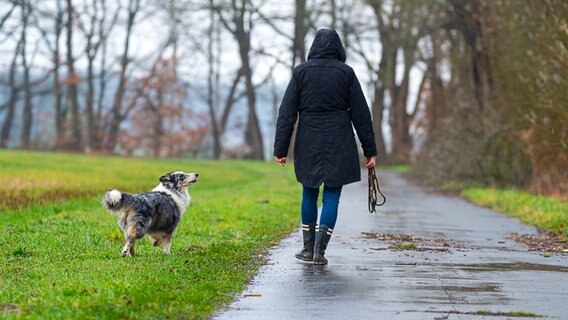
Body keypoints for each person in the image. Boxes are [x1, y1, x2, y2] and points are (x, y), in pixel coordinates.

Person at [273, 29, 377, 265]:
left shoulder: (301, 72)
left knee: (309, 192)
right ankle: (320, 252)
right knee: (332, 196)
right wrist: (370, 149)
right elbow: (361, 114)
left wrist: (281, 148)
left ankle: (308, 250)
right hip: (339, 139)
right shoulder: (346, 73)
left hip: (308, 138)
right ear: (338, 47)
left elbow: (287, 112)